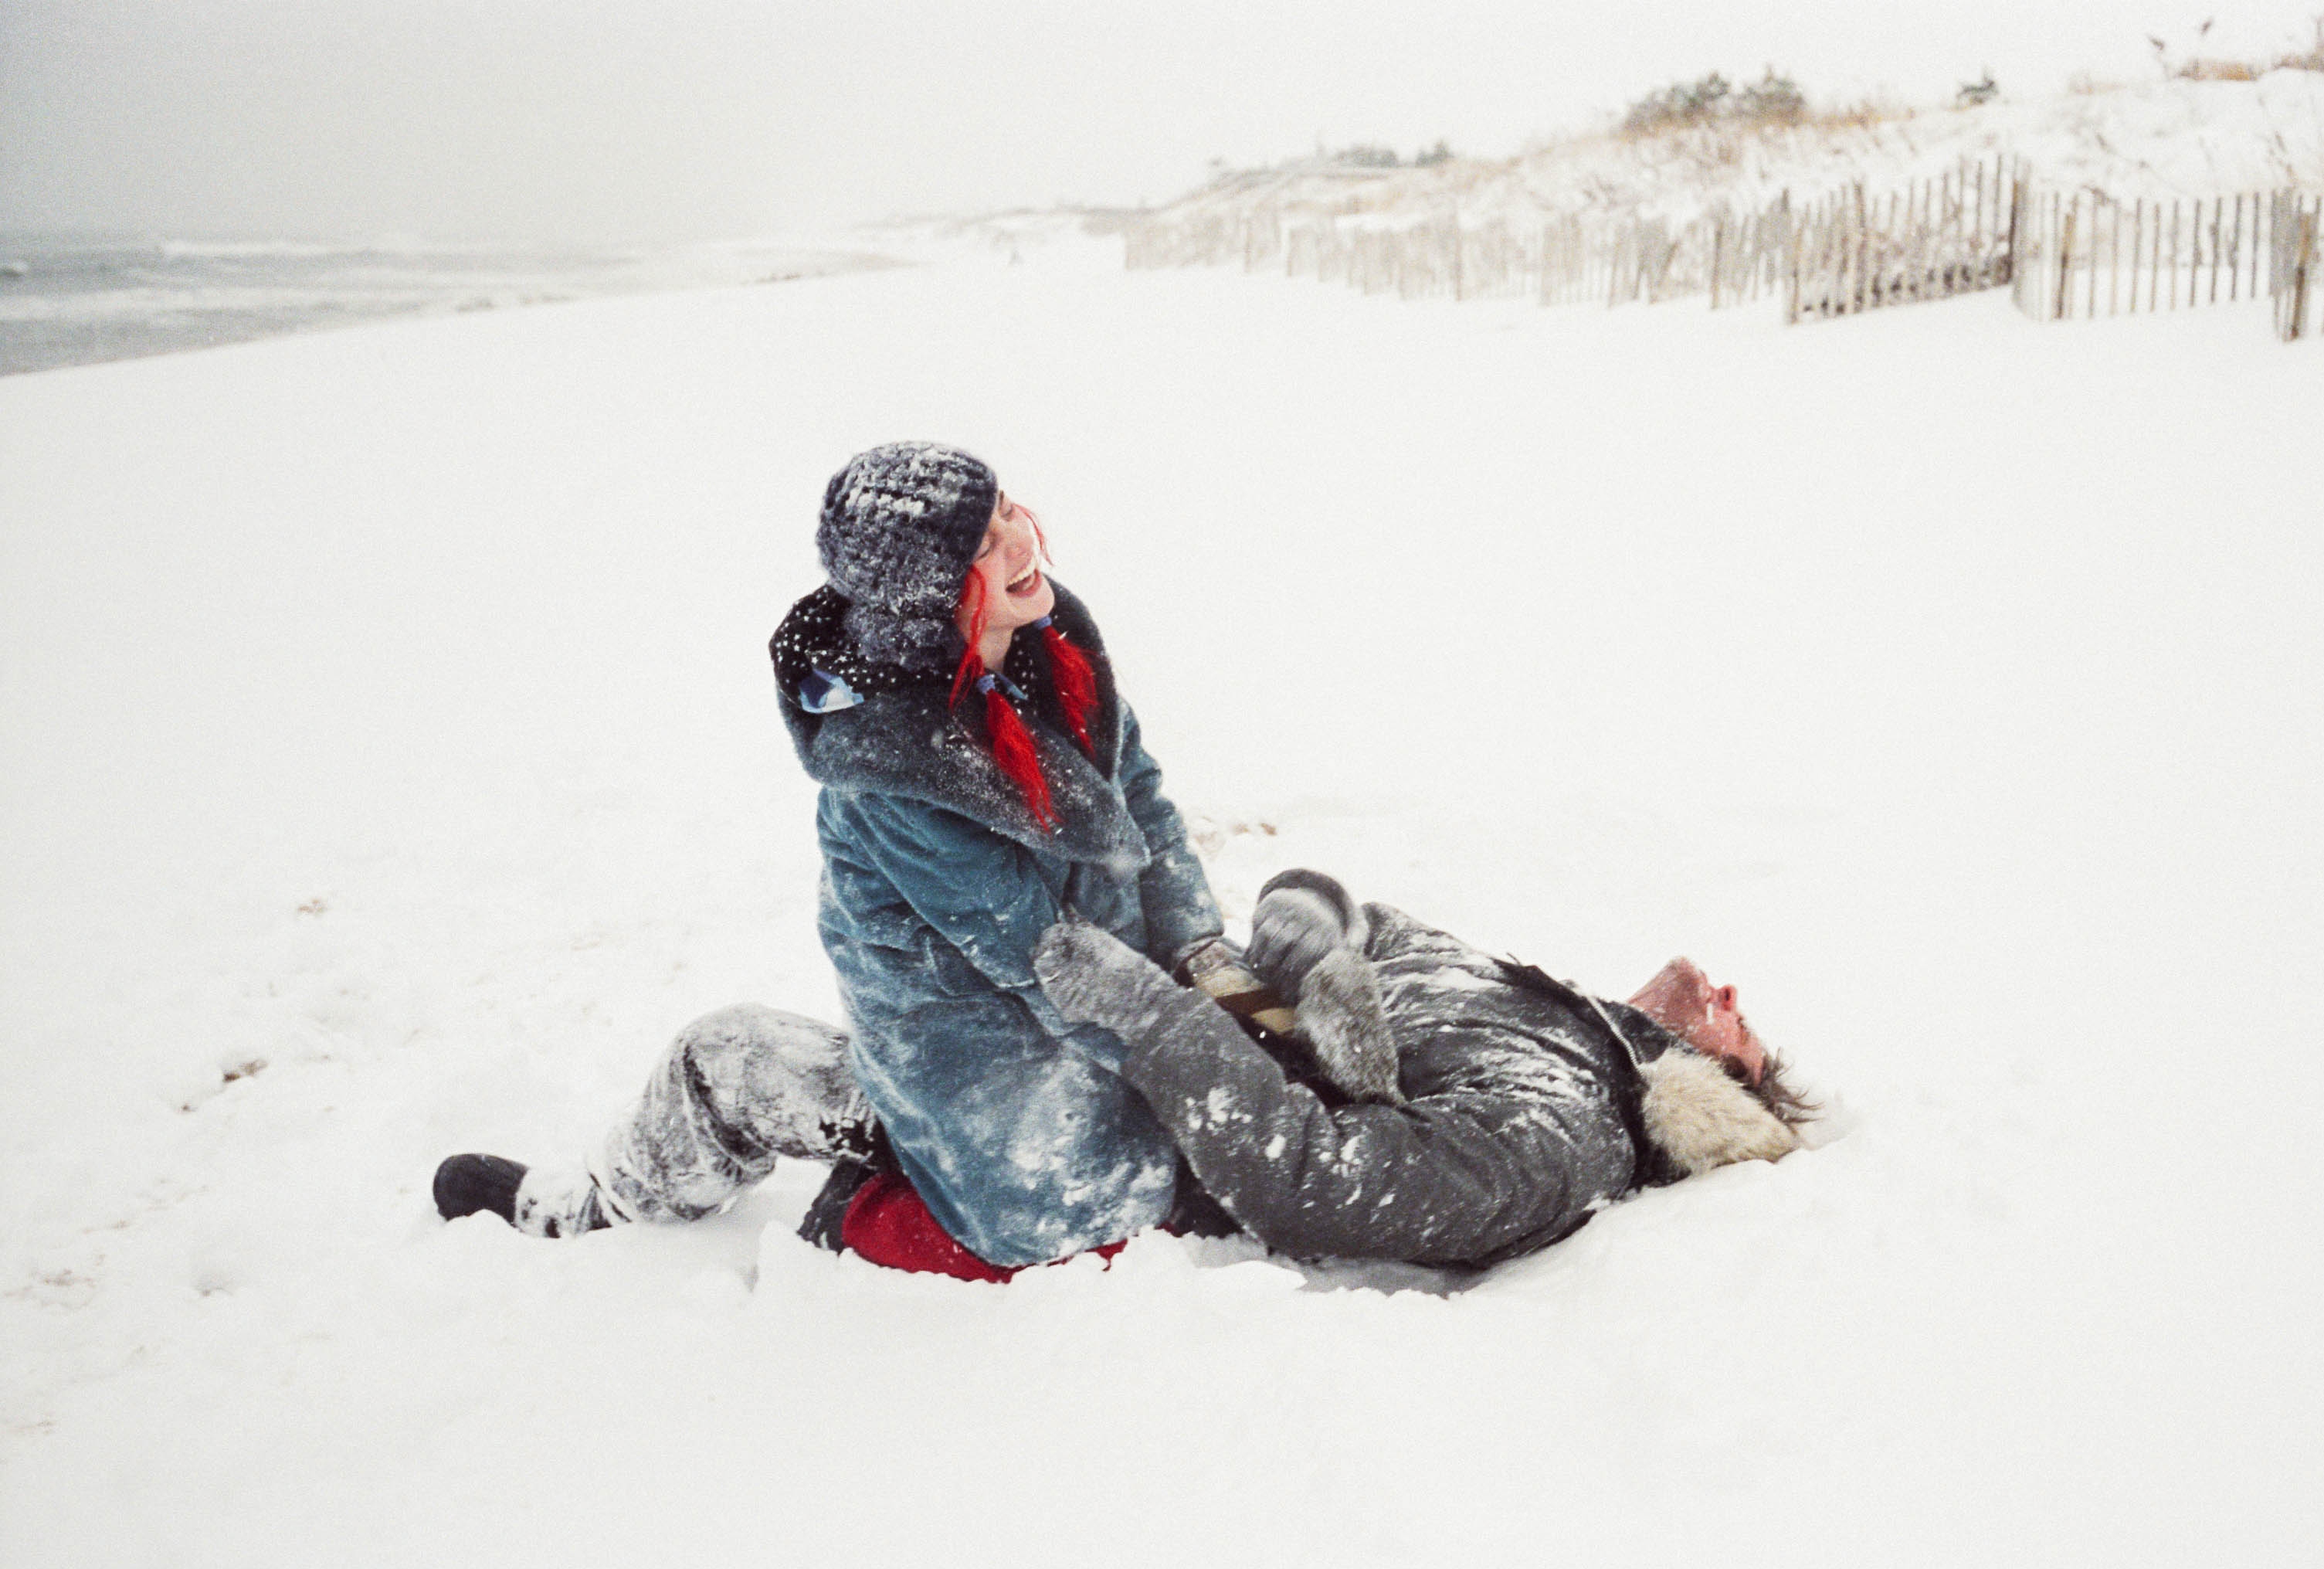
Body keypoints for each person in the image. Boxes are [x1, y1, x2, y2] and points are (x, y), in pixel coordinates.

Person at [433, 441, 1254, 1272]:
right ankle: (611, 1211)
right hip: (1066, 1056)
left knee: (719, 1055)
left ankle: (811, 1209)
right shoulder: (897, 773)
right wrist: (1204, 1037)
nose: (1017, 540)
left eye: (1006, 509)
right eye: (979, 544)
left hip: (1038, 1134)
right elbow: (1051, 959)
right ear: (923, 601)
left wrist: (1203, 962)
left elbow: (1136, 806)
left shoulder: (1052, 656)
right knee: (741, 1055)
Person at [1022, 868, 1813, 1270]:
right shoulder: (1546, 1008)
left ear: (1711, 1090)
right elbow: (1377, 929)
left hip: (1088, 1120)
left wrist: (1149, 1013)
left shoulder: (1564, 1131)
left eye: (1741, 1033)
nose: (1731, 995)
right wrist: (1307, 909)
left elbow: (1317, 1180)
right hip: (1126, 978)